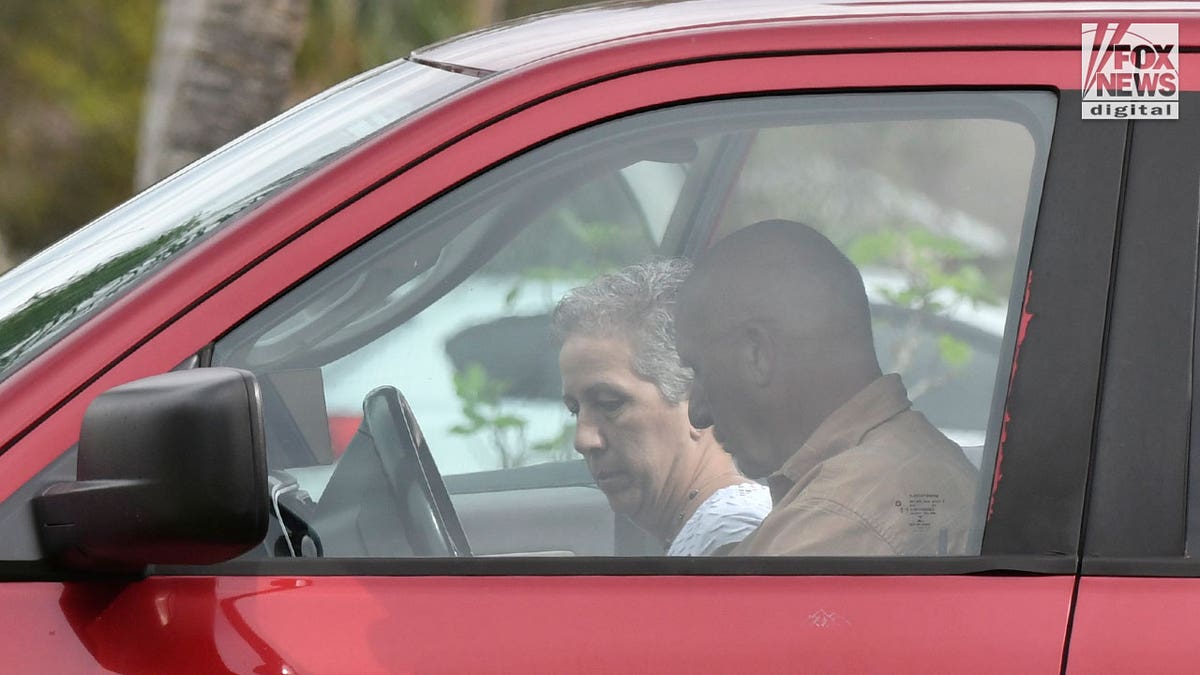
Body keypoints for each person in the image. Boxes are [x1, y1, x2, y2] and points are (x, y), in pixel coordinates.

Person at [674, 219, 977, 556]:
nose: (697, 414)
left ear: (757, 353)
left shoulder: (837, 521)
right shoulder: (912, 462)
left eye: (700, 371)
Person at [553, 258, 771, 556]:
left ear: (702, 401)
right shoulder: (712, 531)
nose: (583, 440)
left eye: (610, 404)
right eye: (575, 410)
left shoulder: (732, 540)